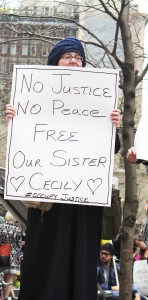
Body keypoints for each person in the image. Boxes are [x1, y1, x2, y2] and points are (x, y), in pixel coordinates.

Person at [5, 37, 121, 300]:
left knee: (79, 260)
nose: (74, 61)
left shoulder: (98, 99)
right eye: (67, 56)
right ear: (54, 62)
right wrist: (15, 119)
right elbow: (23, 142)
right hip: (48, 202)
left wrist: (113, 124)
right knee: (46, 259)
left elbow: (110, 148)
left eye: (78, 58)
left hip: (83, 200)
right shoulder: (33, 96)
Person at [0, 211, 22, 300]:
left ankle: (13, 296)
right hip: (13, 256)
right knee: (10, 278)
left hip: (2, 255)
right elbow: (19, 243)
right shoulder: (17, 228)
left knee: (6, 277)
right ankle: (5, 298)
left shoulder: (1, 227)